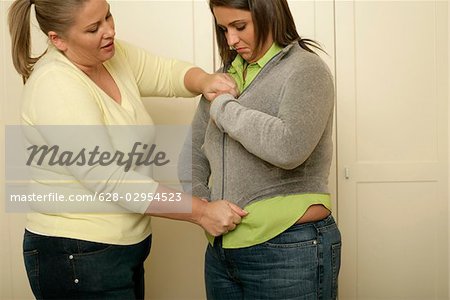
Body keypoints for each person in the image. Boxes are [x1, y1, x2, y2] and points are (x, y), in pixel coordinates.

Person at [8, 0, 248, 299]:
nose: (109, 31)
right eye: (93, 28)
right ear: (58, 40)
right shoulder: (55, 85)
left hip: (121, 249)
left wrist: (206, 80)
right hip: (76, 253)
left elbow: (165, 72)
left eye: (108, 15)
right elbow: (113, 180)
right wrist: (201, 212)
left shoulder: (110, 56)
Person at [178, 0, 341, 298]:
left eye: (240, 27)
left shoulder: (306, 69)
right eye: (223, 29)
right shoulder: (224, 75)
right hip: (222, 255)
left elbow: (289, 147)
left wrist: (224, 106)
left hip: (290, 248)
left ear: (270, 13)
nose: (231, 40)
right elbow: (194, 151)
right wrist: (202, 206)